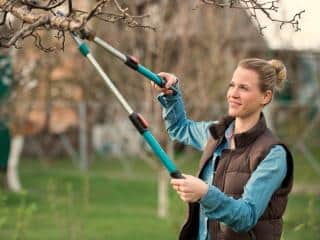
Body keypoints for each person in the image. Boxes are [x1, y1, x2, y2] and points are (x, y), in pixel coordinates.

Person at [153, 58, 293, 240]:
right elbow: (180, 128)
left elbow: (246, 216)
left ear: (265, 97)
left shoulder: (273, 154)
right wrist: (172, 93)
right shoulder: (217, 133)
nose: (233, 94)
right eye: (232, 85)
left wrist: (204, 193)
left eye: (244, 88)